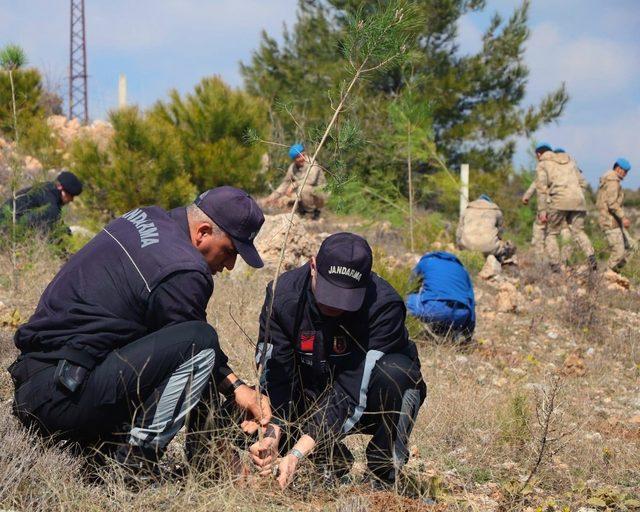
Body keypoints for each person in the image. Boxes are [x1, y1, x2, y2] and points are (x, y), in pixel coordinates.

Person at [8, 186, 271, 474]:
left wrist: (234, 388)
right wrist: (236, 390)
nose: (230, 265)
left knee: (191, 341)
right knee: (201, 339)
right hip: (62, 400)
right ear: (203, 232)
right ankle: (133, 463)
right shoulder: (185, 269)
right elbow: (196, 346)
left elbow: (178, 341)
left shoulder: (146, 217)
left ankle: (111, 443)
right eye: (230, 251)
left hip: (37, 380)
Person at [250, 233, 426, 489]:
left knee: (399, 373)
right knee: (241, 412)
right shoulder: (283, 296)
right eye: (328, 292)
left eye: (346, 298)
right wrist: (273, 431)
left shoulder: (383, 306)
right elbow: (277, 375)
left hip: (367, 401)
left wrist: (298, 452)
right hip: (307, 395)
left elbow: (352, 389)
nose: (334, 306)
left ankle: (384, 473)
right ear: (313, 267)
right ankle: (328, 456)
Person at [534, 141, 596, 272]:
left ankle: (556, 266)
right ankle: (591, 257)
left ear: (539, 154)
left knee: (551, 233)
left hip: (558, 201)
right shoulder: (569, 160)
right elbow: (583, 182)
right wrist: (576, 195)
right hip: (579, 201)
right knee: (578, 231)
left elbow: (541, 189)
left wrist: (543, 211)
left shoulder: (543, 164)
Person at [406, 251, 475, 343]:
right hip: (461, 314)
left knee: (404, 299)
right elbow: (471, 303)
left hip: (435, 309)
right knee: (447, 317)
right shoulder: (462, 269)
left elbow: (410, 286)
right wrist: (468, 335)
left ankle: (404, 333)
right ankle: (450, 338)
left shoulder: (426, 262)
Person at [521, 147, 574, 263]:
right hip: (564, 207)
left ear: (539, 154)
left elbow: (539, 186)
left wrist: (527, 197)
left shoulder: (545, 166)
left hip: (548, 206)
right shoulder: (566, 167)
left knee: (540, 231)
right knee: (565, 232)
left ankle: (542, 263)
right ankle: (565, 262)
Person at [0, 170, 82, 232]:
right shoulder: (50, 205)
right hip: (7, 229)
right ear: (61, 188)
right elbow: (50, 229)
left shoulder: (47, 190)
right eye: (71, 195)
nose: (71, 200)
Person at [265, 143, 327, 218]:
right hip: (305, 194)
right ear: (294, 159)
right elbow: (285, 184)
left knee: (303, 189)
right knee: (284, 199)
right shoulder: (292, 168)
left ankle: (312, 213)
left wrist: (294, 184)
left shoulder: (312, 163)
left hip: (321, 193)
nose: (301, 158)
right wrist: (272, 197)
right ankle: (301, 210)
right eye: (298, 157)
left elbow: (311, 180)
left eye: (303, 155)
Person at [596, 158, 633, 271]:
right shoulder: (612, 181)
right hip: (609, 222)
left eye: (627, 172)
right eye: (624, 171)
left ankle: (614, 273)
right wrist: (623, 217)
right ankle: (605, 277)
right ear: (617, 168)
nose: (625, 174)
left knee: (631, 247)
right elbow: (611, 204)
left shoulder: (614, 181)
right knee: (618, 252)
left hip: (616, 222)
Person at [456, 194, 515, 262]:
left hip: (467, 247)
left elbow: (459, 232)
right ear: (490, 202)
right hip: (490, 249)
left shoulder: (467, 210)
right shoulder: (496, 211)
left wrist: (460, 247)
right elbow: (500, 233)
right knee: (509, 246)